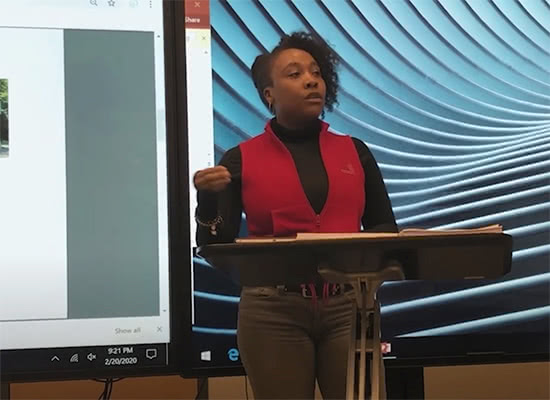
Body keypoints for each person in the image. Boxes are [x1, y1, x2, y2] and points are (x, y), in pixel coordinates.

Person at [193, 31, 396, 400]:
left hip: (349, 309)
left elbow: (385, 228)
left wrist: (366, 281)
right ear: (269, 94)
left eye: (315, 72)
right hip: (273, 311)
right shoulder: (240, 159)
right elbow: (213, 244)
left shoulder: (356, 152)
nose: (310, 80)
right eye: (294, 73)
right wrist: (207, 203)